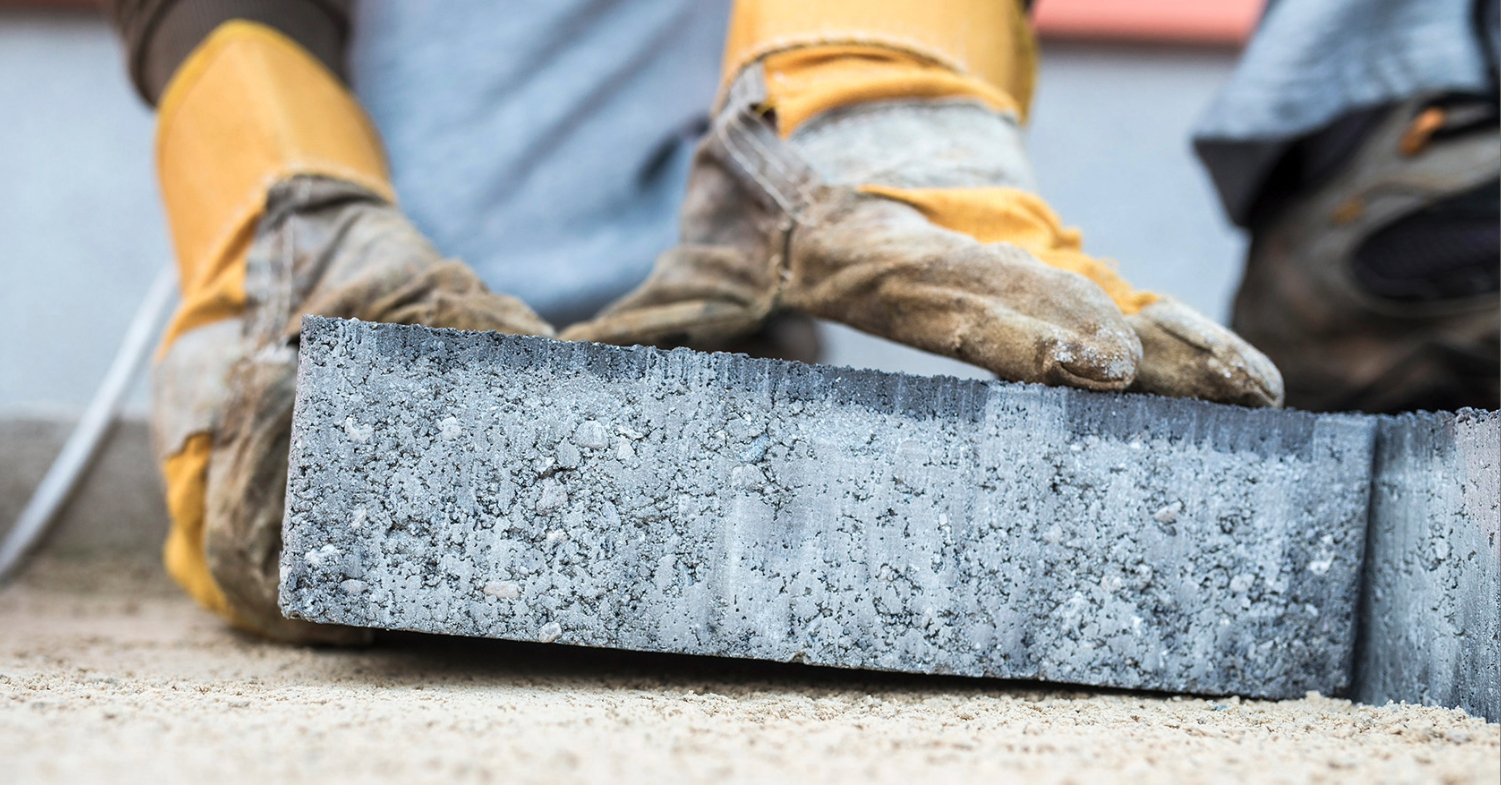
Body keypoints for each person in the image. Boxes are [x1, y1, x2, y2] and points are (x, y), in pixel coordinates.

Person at [96, 0, 1478, 641]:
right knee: (354, 407)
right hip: (441, 174)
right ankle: (313, 229)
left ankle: (871, 106)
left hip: (755, 162)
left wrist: (872, 91)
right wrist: (270, 198)